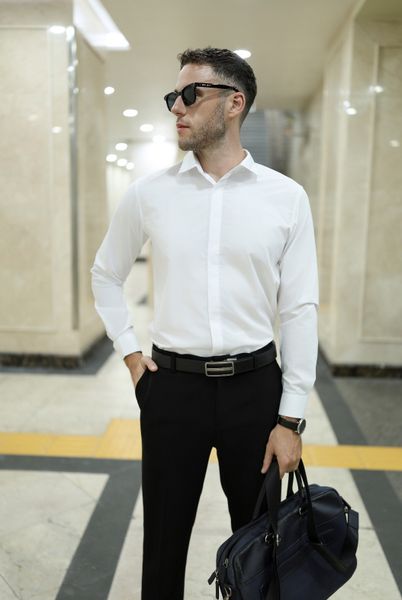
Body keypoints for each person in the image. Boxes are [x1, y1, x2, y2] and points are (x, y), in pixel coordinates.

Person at [91, 47, 319, 600]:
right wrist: (130, 355)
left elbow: (299, 308)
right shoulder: (150, 194)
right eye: (174, 96)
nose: (177, 107)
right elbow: (106, 273)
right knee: (163, 542)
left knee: (260, 545)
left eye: (191, 94)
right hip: (172, 389)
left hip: (255, 392)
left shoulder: (286, 198)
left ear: (234, 103)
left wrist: (290, 419)